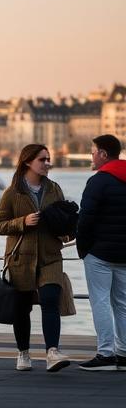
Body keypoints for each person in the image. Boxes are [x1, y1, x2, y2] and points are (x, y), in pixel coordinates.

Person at [0, 144, 72, 372]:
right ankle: (23, 352)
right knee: (22, 308)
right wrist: (23, 222)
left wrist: (66, 230)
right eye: (42, 159)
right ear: (28, 162)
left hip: (50, 256)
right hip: (21, 259)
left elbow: (64, 218)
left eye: (48, 159)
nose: (48, 163)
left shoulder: (54, 189)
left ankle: (52, 352)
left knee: (50, 300)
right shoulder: (12, 193)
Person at [76, 134, 126, 371]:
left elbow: (85, 218)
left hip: (100, 254)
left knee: (101, 302)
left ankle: (106, 354)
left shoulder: (99, 181)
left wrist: (83, 249)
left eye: (93, 151)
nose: (91, 156)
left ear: (104, 154)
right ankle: (124, 353)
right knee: (122, 303)